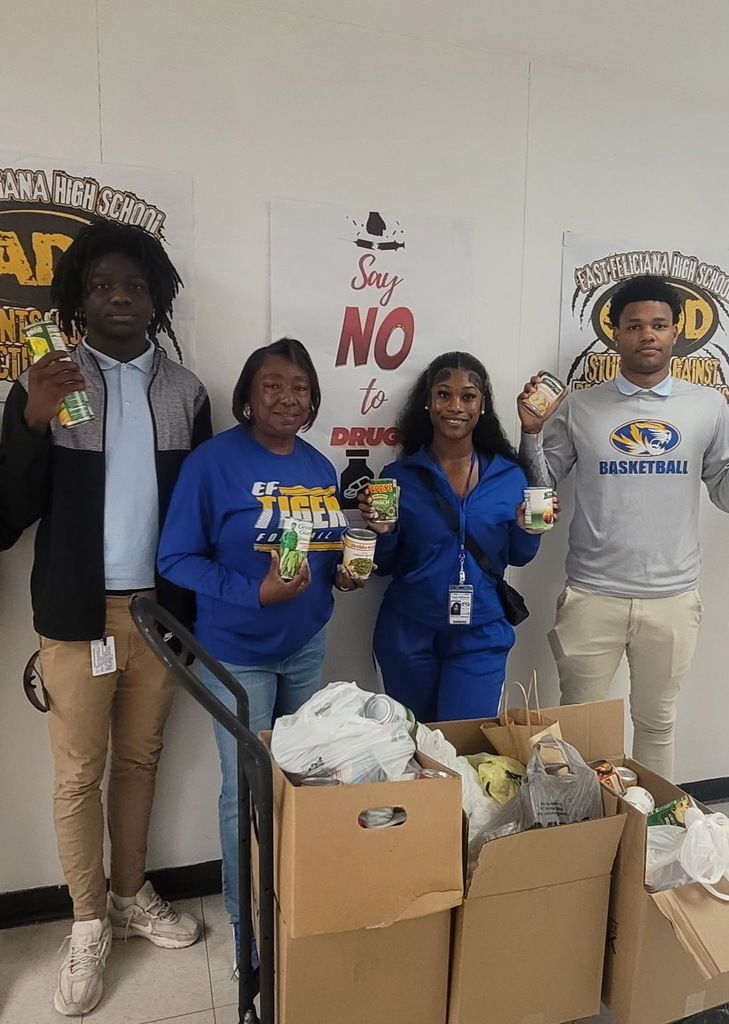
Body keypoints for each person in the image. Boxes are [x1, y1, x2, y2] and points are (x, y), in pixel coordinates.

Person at [1, 221, 212, 1016]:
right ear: (77, 299)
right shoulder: (47, 381)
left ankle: (131, 895)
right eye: (100, 286)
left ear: (156, 298)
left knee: (140, 762)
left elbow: (198, 513)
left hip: (158, 615)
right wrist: (30, 419)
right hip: (73, 614)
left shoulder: (186, 392)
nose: (118, 297)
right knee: (77, 774)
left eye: (133, 285)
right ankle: (88, 921)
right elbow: (8, 513)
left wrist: (191, 617)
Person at [157, 336, 357, 975]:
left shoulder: (318, 466)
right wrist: (253, 591)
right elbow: (175, 559)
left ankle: (297, 901)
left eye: (299, 387)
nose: (287, 397)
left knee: (304, 779)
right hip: (235, 654)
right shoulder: (213, 464)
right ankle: (247, 930)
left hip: (304, 647)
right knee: (245, 791)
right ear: (246, 394)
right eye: (273, 384)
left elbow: (316, 553)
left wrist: (342, 577)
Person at [518, 274, 729, 780]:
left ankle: (653, 831)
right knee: (581, 729)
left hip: (673, 599)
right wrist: (530, 434)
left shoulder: (708, 406)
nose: (647, 335)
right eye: (634, 325)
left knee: (656, 725)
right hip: (593, 596)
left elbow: (723, 491)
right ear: (615, 334)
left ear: (677, 332)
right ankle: (583, 833)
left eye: (658, 324)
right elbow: (543, 488)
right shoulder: (582, 405)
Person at [359, 351, 542, 722]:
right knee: (414, 750)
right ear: (427, 402)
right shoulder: (398, 476)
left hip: (480, 635)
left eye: (468, 396)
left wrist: (527, 531)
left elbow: (520, 557)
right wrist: (384, 533)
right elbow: (385, 567)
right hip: (408, 635)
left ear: (483, 405)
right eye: (443, 394)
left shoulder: (510, 477)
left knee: (464, 750)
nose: (455, 406)